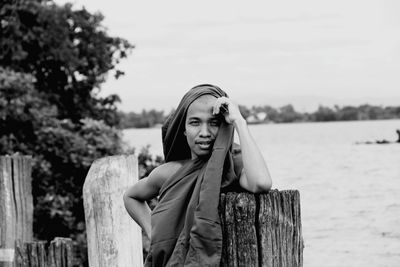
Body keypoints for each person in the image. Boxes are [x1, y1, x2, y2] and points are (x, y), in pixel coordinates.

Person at [123, 84, 272, 266]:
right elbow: (131, 196)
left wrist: (239, 122)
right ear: (184, 128)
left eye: (214, 123)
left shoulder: (233, 166)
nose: (204, 133)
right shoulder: (170, 172)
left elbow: (261, 183)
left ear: (225, 126)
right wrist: (154, 233)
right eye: (195, 123)